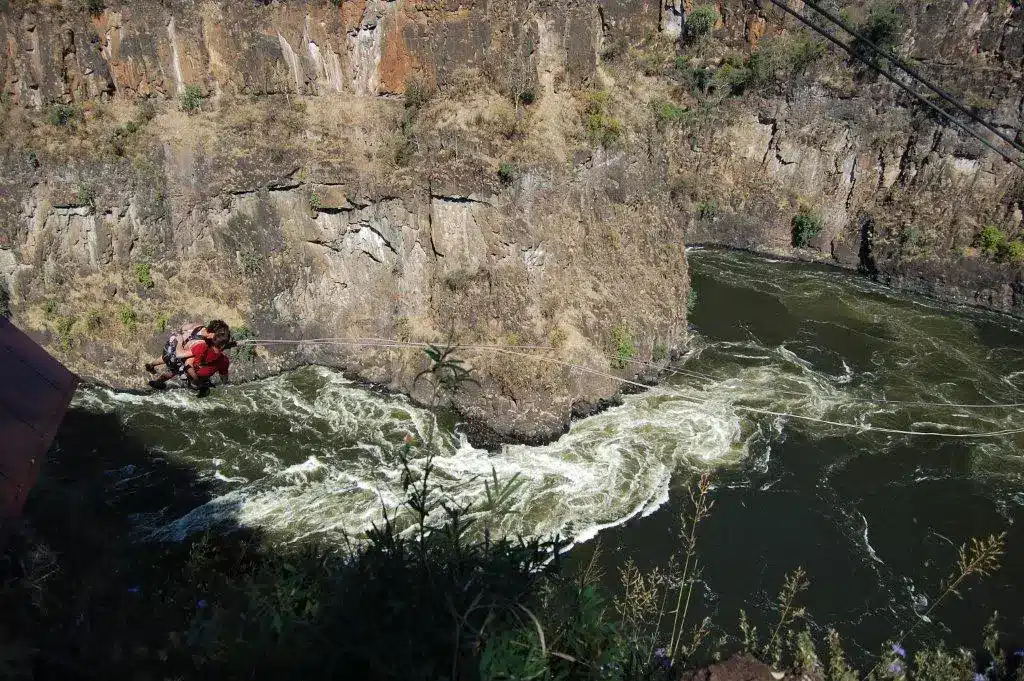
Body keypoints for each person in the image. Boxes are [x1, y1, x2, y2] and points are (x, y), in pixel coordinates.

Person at [145, 320, 232, 395]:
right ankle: (157, 383)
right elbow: (183, 357)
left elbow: (183, 328)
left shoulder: (198, 326)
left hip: (170, 347)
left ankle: (152, 365)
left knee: (168, 357)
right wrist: (180, 342)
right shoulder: (201, 344)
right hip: (178, 353)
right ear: (212, 334)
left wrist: (181, 338)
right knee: (174, 369)